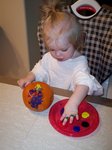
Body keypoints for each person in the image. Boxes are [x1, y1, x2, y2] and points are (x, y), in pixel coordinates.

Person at [17, 0, 103, 125]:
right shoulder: (48, 57)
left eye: (63, 49)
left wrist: (73, 103)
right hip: (50, 99)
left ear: (76, 42)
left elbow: (84, 84)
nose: (57, 54)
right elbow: (40, 69)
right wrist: (28, 77)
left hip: (71, 102)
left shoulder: (79, 63)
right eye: (52, 49)